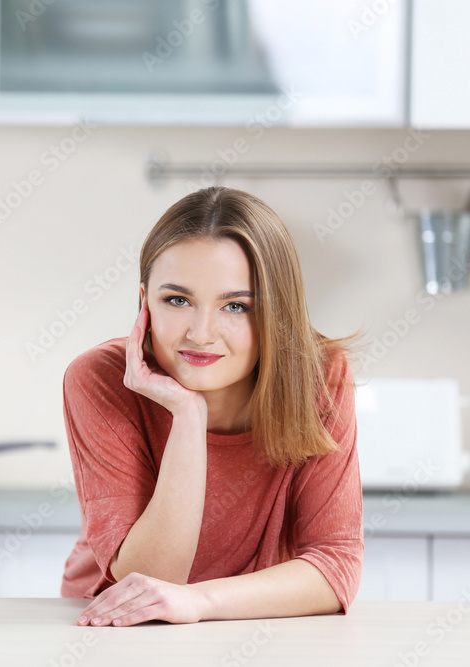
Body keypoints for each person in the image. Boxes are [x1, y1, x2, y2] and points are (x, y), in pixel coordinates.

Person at [60, 186, 363, 627]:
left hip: (247, 623)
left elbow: (336, 566)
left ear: (277, 314)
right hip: (113, 623)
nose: (201, 334)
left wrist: (200, 603)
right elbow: (150, 580)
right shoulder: (100, 379)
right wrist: (187, 415)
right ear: (145, 304)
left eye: (236, 306)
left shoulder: (320, 378)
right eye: (177, 300)